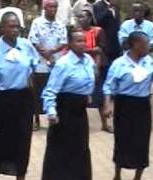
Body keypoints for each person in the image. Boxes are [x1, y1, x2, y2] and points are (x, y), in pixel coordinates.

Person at [0, 12, 38, 180]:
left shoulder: (26, 46)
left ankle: (20, 176)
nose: (15, 30)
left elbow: (32, 70)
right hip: (3, 100)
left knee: (22, 142)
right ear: (2, 28)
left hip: (23, 100)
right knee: (0, 142)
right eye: (11, 26)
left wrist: (33, 104)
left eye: (17, 26)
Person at [41, 27, 95, 180]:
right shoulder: (63, 64)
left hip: (80, 112)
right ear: (70, 44)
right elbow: (50, 90)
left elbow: (88, 83)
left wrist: (87, 95)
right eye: (78, 41)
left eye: (84, 40)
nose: (83, 44)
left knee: (80, 148)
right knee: (61, 151)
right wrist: (51, 111)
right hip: (64, 112)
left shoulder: (88, 61)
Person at [103, 31, 153, 180]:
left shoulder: (149, 61)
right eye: (145, 45)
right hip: (125, 105)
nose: (148, 48)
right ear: (136, 45)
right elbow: (108, 86)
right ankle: (118, 174)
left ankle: (138, 176)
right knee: (122, 140)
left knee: (142, 140)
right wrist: (107, 105)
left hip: (142, 105)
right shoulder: (119, 64)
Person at [29, 0, 68, 130]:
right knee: (37, 91)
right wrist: (45, 53)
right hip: (40, 63)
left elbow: (63, 42)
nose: (53, 9)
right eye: (50, 7)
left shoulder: (60, 25)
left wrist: (51, 52)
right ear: (45, 8)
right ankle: (36, 120)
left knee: (55, 90)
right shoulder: (37, 23)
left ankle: (53, 117)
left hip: (56, 63)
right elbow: (33, 40)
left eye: (55, 7)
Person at [76, 8, 112, 133]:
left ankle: (105, 124)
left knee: (100, 97)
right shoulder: (77, 32)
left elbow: (101, 49)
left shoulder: (98, 31)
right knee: (80, 95)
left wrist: (84, 50)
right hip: (80, 66)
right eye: (79, 17)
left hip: (97, 66)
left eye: (83, 17)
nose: (80, 19)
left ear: (90, 18)